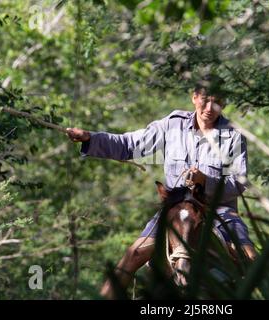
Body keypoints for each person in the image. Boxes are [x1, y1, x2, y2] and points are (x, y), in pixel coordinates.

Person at [66, 77, 256, 299]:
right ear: (194, 98)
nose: (208, 108)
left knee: (250, 258)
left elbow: (239, 183)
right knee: (133, 254)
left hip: (219, 211)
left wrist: (206, 180)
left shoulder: (233, 135)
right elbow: (129, 145)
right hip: (175, 210)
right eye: (204, 100)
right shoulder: (172, 125)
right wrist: (90, 138)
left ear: (223, 104)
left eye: (216, 102)